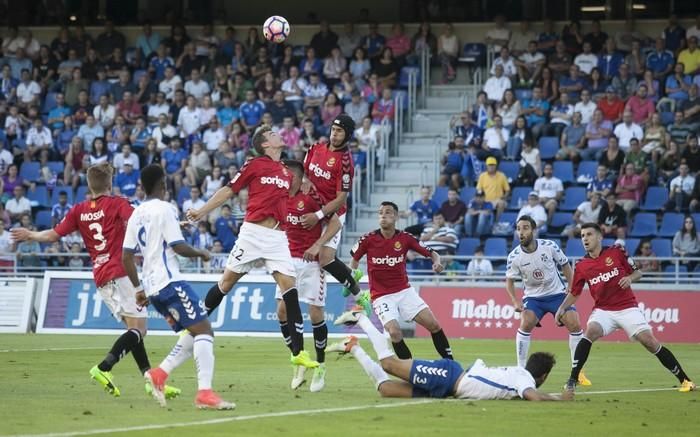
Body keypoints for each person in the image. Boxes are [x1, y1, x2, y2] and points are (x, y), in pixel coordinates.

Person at [10, 163, 180, 399]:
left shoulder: (78, 210)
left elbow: (52, 235)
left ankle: (151, 381)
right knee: (140, 329)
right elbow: (141, 221)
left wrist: (30, 234)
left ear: (89, 185)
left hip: (101, 277)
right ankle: (103, 368)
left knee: (134, 331)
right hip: (121, 273)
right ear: (109, 184)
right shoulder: (118, 203)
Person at [186, 126, 319, 370]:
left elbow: (290, 195)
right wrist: (201, 211)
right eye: (273, 134)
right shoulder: (255, 164)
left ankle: (298, 352)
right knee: (226, 284)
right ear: (266, 144)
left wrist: (307, 183)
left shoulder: (286, 173)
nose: (279, 135)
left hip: (278, 237)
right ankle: (194, 321)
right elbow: (229, 189)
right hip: (252, 233)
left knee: (290, 288)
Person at [121, 164, 232, 410]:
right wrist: (201, 254)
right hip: (170, 282)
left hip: (152, 289)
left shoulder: (137, 213)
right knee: (204, 332)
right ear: (162, 184)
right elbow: (179, 247)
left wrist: (139, 290)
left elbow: (126, 256)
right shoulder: (166, 208)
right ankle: (204, 393)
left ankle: (159, 374)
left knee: (193, 332)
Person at [555, 223, 696, 393]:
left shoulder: (617, 251)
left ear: (599, 237)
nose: (585, 238)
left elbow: (638, 273)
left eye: (589, 234)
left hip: (627, 307)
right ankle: (572, 379)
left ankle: (685, 380)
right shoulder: (582, 265)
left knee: (649, 342)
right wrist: (562, 308)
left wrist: (629, 278)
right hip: (603, 310)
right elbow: (575, 293)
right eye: (583, 235)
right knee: (590, 331)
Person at [330, 309, 571, 401]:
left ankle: (355, 347)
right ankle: (361, 317)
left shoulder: (519, 376)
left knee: (386, 390)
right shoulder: (524, 379)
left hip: (447, 390)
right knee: (389, 364)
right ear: (543, 375)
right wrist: (559, 399)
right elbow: (534, 397)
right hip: (448, 376)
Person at [347, 201, 452, 361]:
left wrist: (437, 262)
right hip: (381, 296)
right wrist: (353, 275)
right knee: (395, 332)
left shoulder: (405, 238)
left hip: (404, 292)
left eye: (388, 212)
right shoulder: (367, 239)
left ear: (396, 217)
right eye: (380, 212)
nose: (383, 215)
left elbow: (433, 253)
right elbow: (353, 261)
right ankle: (410, 370)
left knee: (434, 325)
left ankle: (450, 363)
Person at [276, 160, 342, 392]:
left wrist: (317, 244)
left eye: (286, 174)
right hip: (287, 262)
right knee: (282, 311)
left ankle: (321, 365)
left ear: (296, 176)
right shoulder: (280, 197)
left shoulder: (311, 196)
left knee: (315, 314)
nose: (282, 178)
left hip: (311, 264)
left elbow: (335, 223)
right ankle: (299, 359)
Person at [506, 215, 591, 386]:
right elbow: (509, 281)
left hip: (557, 295)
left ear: (533, 230)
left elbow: (566, 265)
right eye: (518, 229)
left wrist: (572, 288)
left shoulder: (549, 246)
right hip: (533, 298)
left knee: (574, 323)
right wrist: (515, 302)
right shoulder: (514, 256)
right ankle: (521, 370)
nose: (521, 232)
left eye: (525, 228)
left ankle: (578, 371)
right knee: (526, 321)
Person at [299, 114, 370, 312]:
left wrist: (319, 216)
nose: (335, 134)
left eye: (340, 131)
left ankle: (360, 293)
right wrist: (304, 182)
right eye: (333, 129)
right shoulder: (315, 148)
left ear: (347, 135)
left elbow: (340, 199)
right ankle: (349, 273)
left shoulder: (345, 162)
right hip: (311, 207)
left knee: (325, 259)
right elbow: (303, 173)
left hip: (332, 214)